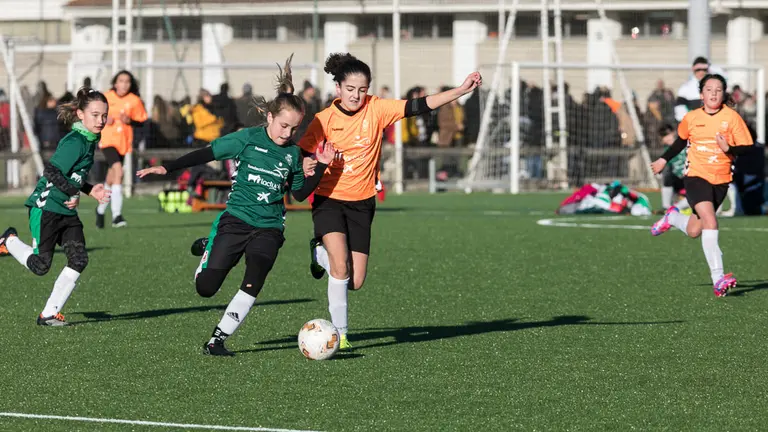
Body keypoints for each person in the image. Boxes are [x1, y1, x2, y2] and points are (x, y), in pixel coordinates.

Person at [136, 55, 337, 356]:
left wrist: (320, 166)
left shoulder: (294, 154)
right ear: (269, 117)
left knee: (256, 274)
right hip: (236, 220)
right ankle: (209, 247)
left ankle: (217, 340)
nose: (287, 134)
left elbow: (298, 195)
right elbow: (207, 153)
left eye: (293, 129)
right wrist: (169, 167)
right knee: (206, 288)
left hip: (268, 226)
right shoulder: (246, 139)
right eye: (283, 126)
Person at [300, 52, 482, 350]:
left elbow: (419, 105)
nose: (356, 95)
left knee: (355, 281)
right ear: (338, 89)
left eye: (362, 89)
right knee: (341, 268)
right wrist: (307, 163)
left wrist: (460, 91)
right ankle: (341, 336)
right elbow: (301, 152)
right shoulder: (323, 120)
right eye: (350, 90)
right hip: (328, 199)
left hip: (362, 203)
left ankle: (319, 255)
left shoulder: (378, 109)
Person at [0, 87, 111, 326]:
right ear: (81, 114)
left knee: (79, 259)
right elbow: (51, 171)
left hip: (66, 211)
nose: (101, 120)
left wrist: (90, 189)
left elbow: (73, 176)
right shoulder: (75, 141)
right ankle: (8, 240)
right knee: (41, 266)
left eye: (104, 115)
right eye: (95, 115)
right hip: (47, 207)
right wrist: (74, 192)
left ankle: (49, 313)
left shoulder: (91, 138)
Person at [650, 74, 754, 297]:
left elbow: (747, 146)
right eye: (709, 89)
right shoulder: (692, 117)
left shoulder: (732, 118)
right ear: (701, 94)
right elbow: (680, 140)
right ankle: (718, 278)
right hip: (696, 176)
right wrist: (662, 159)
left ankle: (672, 218)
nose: (713, 93)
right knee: (711, 220)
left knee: (695, 230)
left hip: (721, 179)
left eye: (718, 90)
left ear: (723, 94)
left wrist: (730, 150)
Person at [97, 70, 148, 229]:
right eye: (121, 81)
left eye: (127, 81)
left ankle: (99, 210)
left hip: (123, 143)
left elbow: (142, 122)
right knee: (119, 171)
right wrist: (104, 118)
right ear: (115, 83)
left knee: (112, 178)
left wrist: (130, 120)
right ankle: (117, 215)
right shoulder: (105, 97)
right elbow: (93, 115)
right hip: (107, 141)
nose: (124, 84)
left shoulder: (134, 100)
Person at [657, 123, 690, 213]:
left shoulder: (685, 143)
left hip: (692, 178)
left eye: (668, 134)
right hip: (679, 182)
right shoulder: (666, 150)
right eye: (664, 136)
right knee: (667, 173)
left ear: (673, 133)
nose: (667, 138)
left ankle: (675, 208)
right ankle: (666, 207)